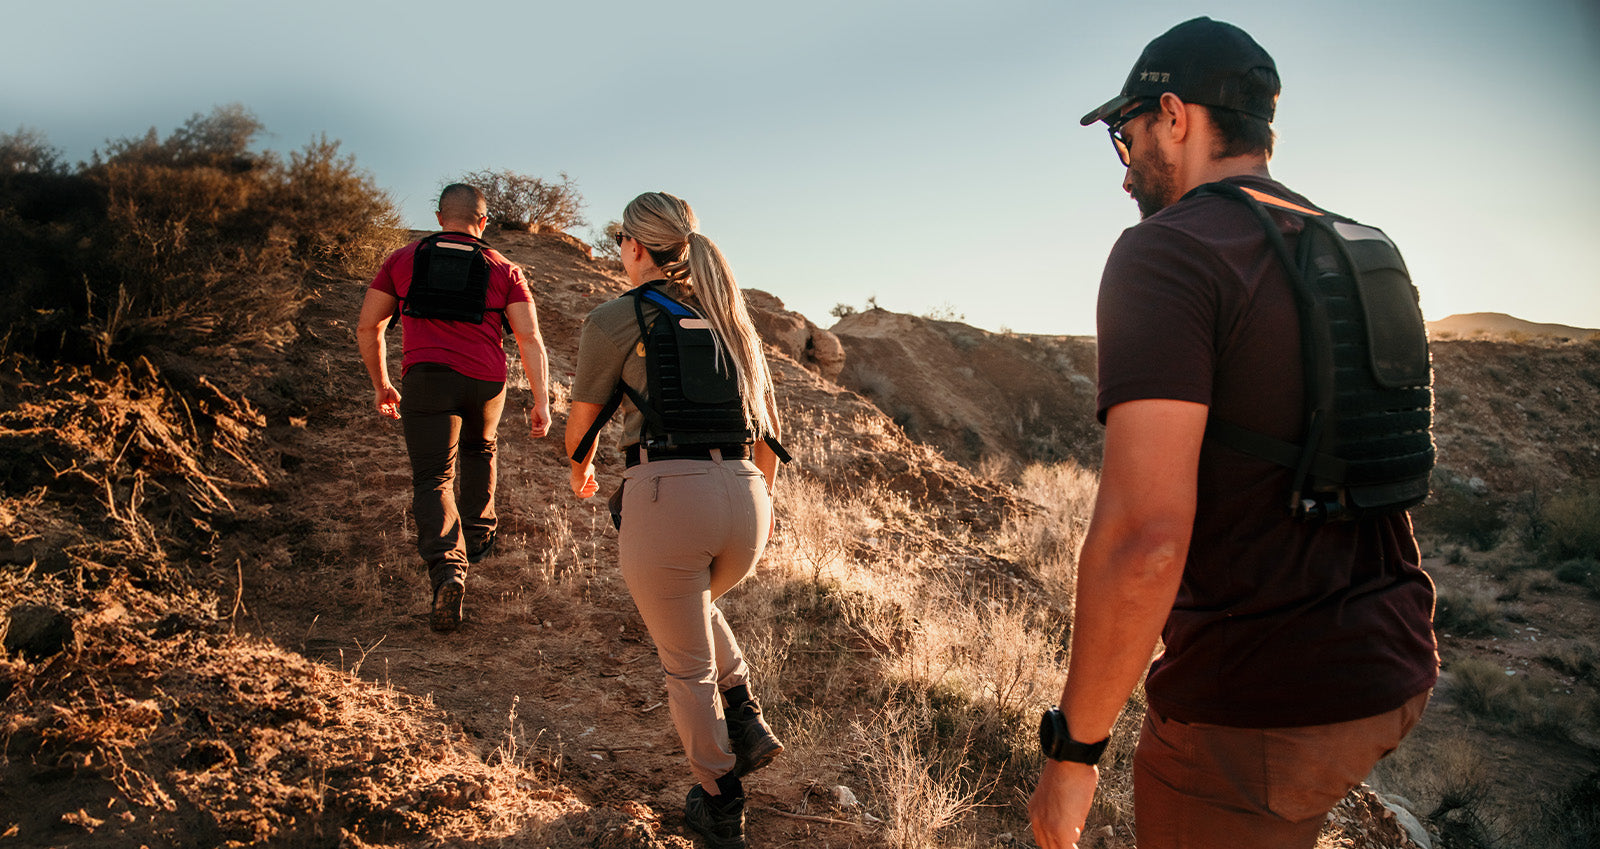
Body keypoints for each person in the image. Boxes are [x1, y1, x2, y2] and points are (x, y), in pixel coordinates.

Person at [1028, 18, 1438, 849]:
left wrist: (1072, 753)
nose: (1125, 166)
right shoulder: (1356, 245)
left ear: (1174, 116)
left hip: (1258, 702)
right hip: (1391, 663)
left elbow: (1143, 541)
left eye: (1126, 132)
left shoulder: (1169, 252)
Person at [566, 192, 784, 849]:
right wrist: (753, 500)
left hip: (667, 494)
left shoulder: (615, 319)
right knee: (689, 604)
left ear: (634, 246)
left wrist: (579, 471)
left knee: (684, 665)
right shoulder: (733, 320)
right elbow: (770, 436)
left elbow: (581, 424)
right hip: (748, 497)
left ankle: (720, 799)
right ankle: (743, 716)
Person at [356, 183, 551, 633]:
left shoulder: (402, 259)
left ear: (440, 216)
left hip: (427, 380)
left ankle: (448, 570)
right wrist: (541, 399)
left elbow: (370, 325)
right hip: (486, 381)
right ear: (483, 222)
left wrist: (382, 383)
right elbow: (529, 337)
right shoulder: (504, 267)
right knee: (480, 449)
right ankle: (479, 537)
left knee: (432, 477)